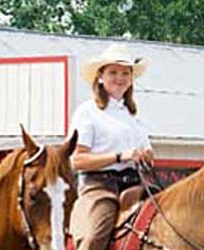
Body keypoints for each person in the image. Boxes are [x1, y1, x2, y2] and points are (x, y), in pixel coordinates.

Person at [69, 44, 154, 250]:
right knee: (92, 239)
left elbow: (147, 155)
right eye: (113, 72)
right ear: (100, 76)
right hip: (100, 188)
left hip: (136, 186)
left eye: (125, 73)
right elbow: (77, 160)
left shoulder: (133, 116)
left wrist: (147, 156)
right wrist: (118, 156)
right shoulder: (87, 112)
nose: (120, 77)